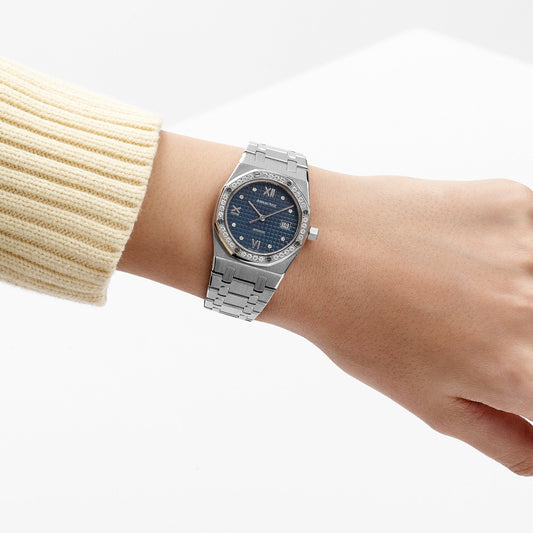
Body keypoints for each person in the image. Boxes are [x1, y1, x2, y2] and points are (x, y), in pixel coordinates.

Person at [2, 55, 533, 477]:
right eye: (260, 213)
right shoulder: (263, 220)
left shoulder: (282, 216)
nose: (260, 216)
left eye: (272, 215)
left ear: (302, 227)